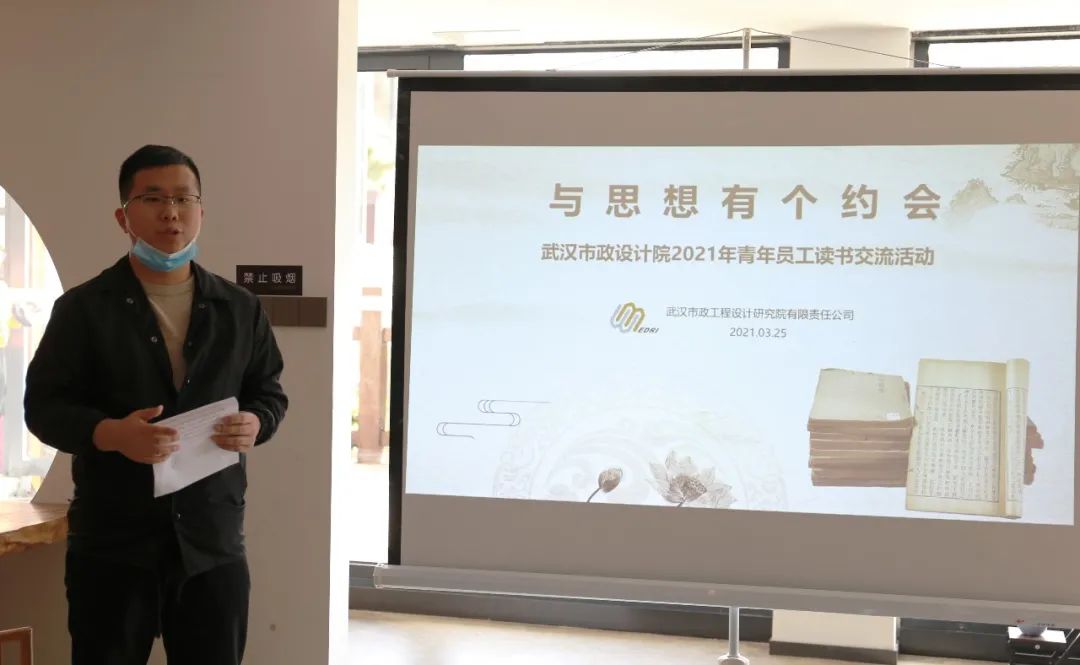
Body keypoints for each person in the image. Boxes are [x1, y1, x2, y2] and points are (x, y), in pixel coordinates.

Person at [24, 144, 287, 665]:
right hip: (114, 544)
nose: (171, 212)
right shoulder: (83, 309)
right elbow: (44, 407)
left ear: (201, 211)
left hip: (211, 541)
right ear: (123, 216)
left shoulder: (239, 308)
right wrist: (111, 434)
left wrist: (257, 422)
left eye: (184, 198)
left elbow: (269, 392)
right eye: (153, 198)